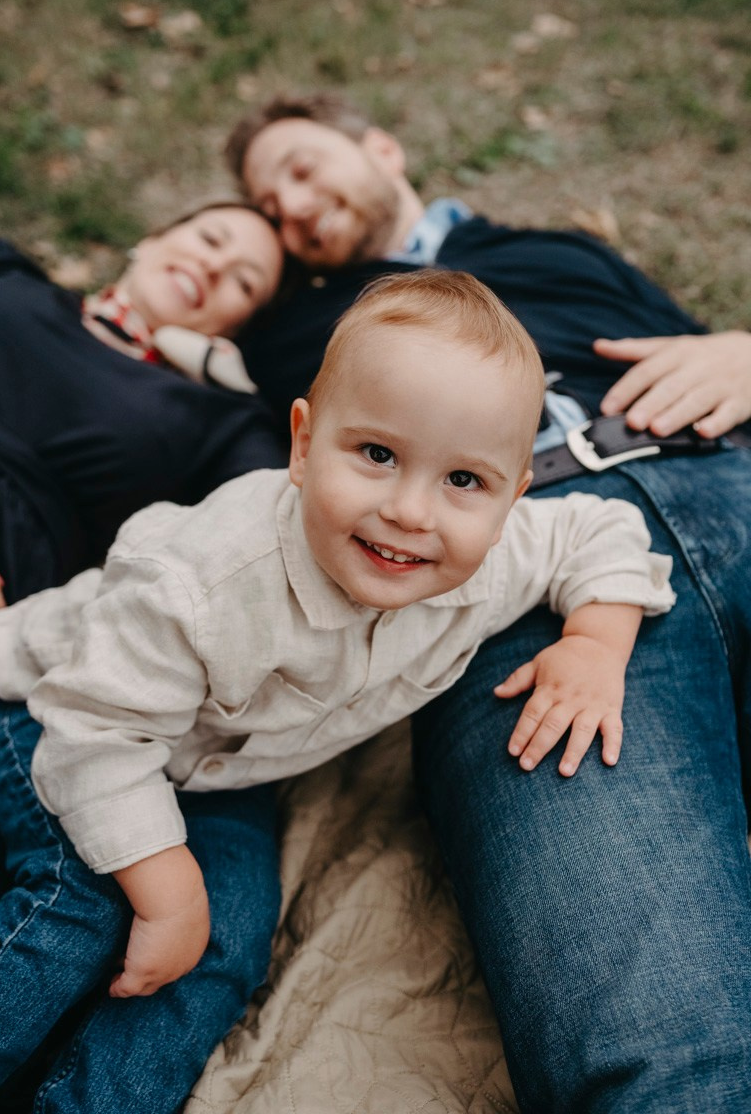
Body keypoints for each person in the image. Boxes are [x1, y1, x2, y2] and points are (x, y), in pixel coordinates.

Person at [0, 269, 674, 1113]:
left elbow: (604, 525)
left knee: (225, 944)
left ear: (514, 497)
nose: (410, 511)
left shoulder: (495, 556)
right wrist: (167, 885)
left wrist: (594, 640)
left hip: (225, 770)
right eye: (376, 455)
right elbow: (94, 733)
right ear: (302, 443)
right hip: (63, 712)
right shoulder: (208, 580)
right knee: (82, 905)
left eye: (464, 482)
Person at [210, 93, 751, 1113]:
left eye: (297, 163)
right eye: (266, 203)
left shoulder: (553, 251)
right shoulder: (289, 337)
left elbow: (701, 345)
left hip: (716, 465)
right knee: (673, 1061)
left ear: (379, 145)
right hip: (510, 586)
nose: (286, 204)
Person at [0, 201, 288, 970]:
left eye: (242, 281)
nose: (211, 267)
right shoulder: (0, 268)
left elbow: (288, 519)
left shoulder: (220, 420)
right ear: (150, 236)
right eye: (208, 239)